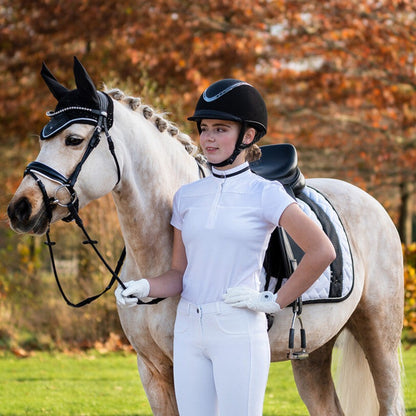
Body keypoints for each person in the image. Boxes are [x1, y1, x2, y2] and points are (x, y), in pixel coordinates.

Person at [115, 79, 336, 416]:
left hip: (238, 330)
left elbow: (322, 251)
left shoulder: (266, 193)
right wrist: (144, 287)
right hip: (188, 330)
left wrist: (275, 300)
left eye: (221, 129)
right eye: (204, 129)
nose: (209, 138)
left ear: (247, 136)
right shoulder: (187, 197)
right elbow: (179, 274)